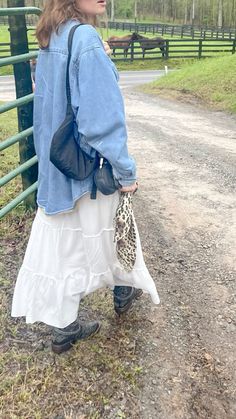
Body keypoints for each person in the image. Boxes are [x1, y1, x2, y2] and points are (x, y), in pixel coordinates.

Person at [11, 0, 160, 354]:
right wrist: (126, 172)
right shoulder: (86, 40)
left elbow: (51, 102)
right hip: (86, 167)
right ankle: (124, 287)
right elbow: (100, 122)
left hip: (58, 165)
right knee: (114, 224)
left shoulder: (54, 34)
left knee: (65, 241)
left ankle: (67, 326)